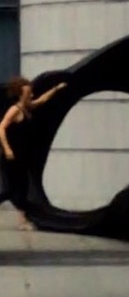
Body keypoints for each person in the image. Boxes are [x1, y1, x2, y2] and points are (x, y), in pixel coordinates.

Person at [0, 75, 67, 229]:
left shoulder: (27, 107)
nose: (31, 95)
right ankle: (22, 221)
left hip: (21, 155)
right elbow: (1, 128)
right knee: (11, 189)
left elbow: (42, 100)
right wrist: (7, 149)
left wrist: (56, 89)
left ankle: (22, 221)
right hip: (12, 156)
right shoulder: (15, 110)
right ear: (20, 94)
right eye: (28, 93)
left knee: (21, 187)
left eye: (30, 92)